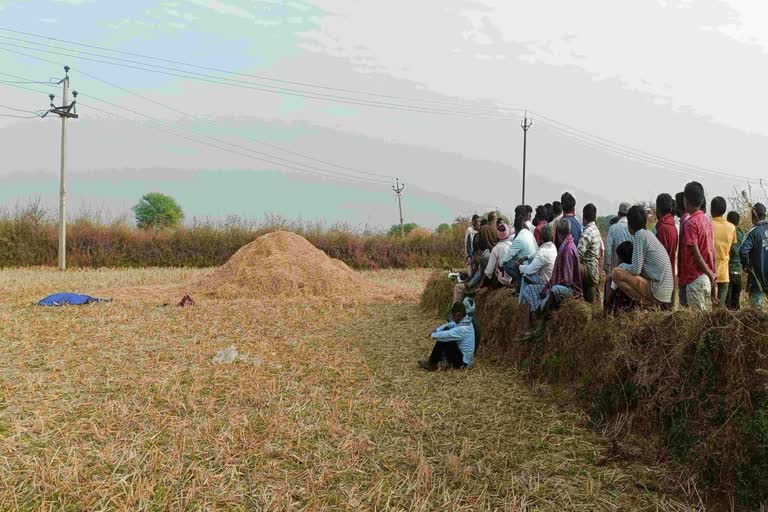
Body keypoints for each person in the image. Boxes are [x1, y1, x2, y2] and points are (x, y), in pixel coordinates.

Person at [519, 218, 582, 334]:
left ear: (558, 234)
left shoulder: (567, 249)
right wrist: (548, 286)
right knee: (529, 289)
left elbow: (567, 280)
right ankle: (526, 327)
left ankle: (542, 322)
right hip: (555, 283)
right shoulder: (560, 246)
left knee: (554, 290)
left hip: (571, 290)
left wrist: (549, 287)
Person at [611, 205, 674, 307]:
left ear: (630, 224)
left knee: (616, 273)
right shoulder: (648, 234)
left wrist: (621, 266)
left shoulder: (639, 235)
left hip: (657, 290)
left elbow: (636, 270)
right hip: (665, 291)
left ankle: (647, 303)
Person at [678, 181, 717, 311]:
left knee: (697, 325)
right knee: (704, 321)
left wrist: (709, 273)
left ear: (686, 200)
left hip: (695, 279)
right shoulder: (707, 220)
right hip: (705, 279)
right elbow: (712, 252)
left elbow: (696, 254)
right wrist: (712, 275)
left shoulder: (691, 223)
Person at [418, 301, 475, 371]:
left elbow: (446, 335)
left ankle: (432, 364)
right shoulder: (466, 321)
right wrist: (437, 330)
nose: (453, 318)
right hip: (463, 357)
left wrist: (432, 335)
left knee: (443, 339)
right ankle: (442, 360)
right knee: (446, 330)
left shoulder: (462, 329)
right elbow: (450, 324)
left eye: (454, 316)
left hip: (463, 363)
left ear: (459, 315)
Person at [517, 223, 557, 303]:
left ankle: (521, 303)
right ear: (552, 237)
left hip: (545, 281)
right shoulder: (553, 247)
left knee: (525, 275)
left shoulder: (543, 252)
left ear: (541, 238)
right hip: (550, 278)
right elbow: (537, 252)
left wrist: (519, 267)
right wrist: (527, 257)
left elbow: (530, 270)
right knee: (528, 263)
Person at [739, 203, 768, 308]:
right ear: (764, 215)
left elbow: (742, 251)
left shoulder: (753, 232)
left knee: (757, 313)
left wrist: (746, 266)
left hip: (757, 279)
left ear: (753, 216)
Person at [711, 196, 736, 307]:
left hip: (709, 271)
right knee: (719, 311)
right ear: (724, 210)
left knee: (706, 311)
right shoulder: (731, 227)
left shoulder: (708, 224)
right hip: (724, 273)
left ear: (711, 210)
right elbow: (731, 249)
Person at [604, 202, 633, 299]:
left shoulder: (613, 228)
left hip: (616, 272)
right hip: (631, 273)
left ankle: (606, 313)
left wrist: (607, 270)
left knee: (609, 298)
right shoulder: (633, 228)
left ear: (618, 214)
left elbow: (607, 251)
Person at [500, 215, 539, 287]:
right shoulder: (528, 233)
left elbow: (508, 255)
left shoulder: (520, 238)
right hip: (534, 263)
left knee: (507, 265)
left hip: (528, 266)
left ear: (516, 228)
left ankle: (521, 282)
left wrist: (500, 264)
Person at [654, 194, 678, 304]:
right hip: (670, 274)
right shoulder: (671, 224)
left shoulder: (663, 228)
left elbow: (660, 258)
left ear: (658, 208)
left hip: (663, 279)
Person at [578, 203, 603, 303]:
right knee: (590, 301)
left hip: (588, 269)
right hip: (594, 269)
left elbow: (577, 255)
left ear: (584, 217)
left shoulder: (587, 232)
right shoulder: (595, 229)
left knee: (570, 265)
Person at [452, 238, 490, 304]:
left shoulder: (483, 258)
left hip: (482, 285)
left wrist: (469, 284)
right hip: (488, 283)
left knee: (458, 287)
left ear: (478, 250)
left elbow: (478, 275)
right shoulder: (489, 253)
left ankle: (456, 310)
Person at [605, 241, 637, 313]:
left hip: (621, 309)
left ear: (621, 258)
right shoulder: (635, 269)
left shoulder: (619, 271)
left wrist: (607, 299)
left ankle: (606, 313)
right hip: (634, 309)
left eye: (618, 257)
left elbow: (611, 292)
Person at [482, 222, 512, 287]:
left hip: (501, 282)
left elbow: (489, 272)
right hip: (512, 280)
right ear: (508, 233)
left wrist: (481, 285)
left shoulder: (496, 249)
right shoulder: (513, 245)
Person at [725, 211, 745, 310]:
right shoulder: (742, 234)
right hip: (738, 274)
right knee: (736, 306)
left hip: (728, 273)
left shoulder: (728, 232)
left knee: (727, 306)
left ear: (728, 221)